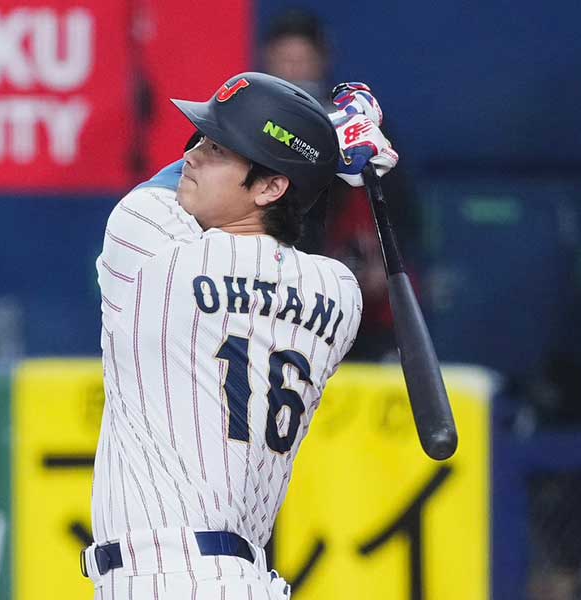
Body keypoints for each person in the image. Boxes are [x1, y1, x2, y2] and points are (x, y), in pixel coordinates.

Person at [81, 72, 397, 598]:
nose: (194, 156)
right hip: (248, 578)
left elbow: (159, 195)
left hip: (163, 577)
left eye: (220, 148)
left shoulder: (155, 250)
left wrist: (330, 138)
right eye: (202, 140)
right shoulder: (339, 292)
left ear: (272, 186)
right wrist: (323, 146)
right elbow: (279, 226)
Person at [262, 9, 418, 361]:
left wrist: (382, 259)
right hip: (276, 295)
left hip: (357, 298)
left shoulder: (355, 125)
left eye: (301, 60)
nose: (293, 70)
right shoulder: (253, 123)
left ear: (322, 59)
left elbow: (396, 205)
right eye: (284, 60)